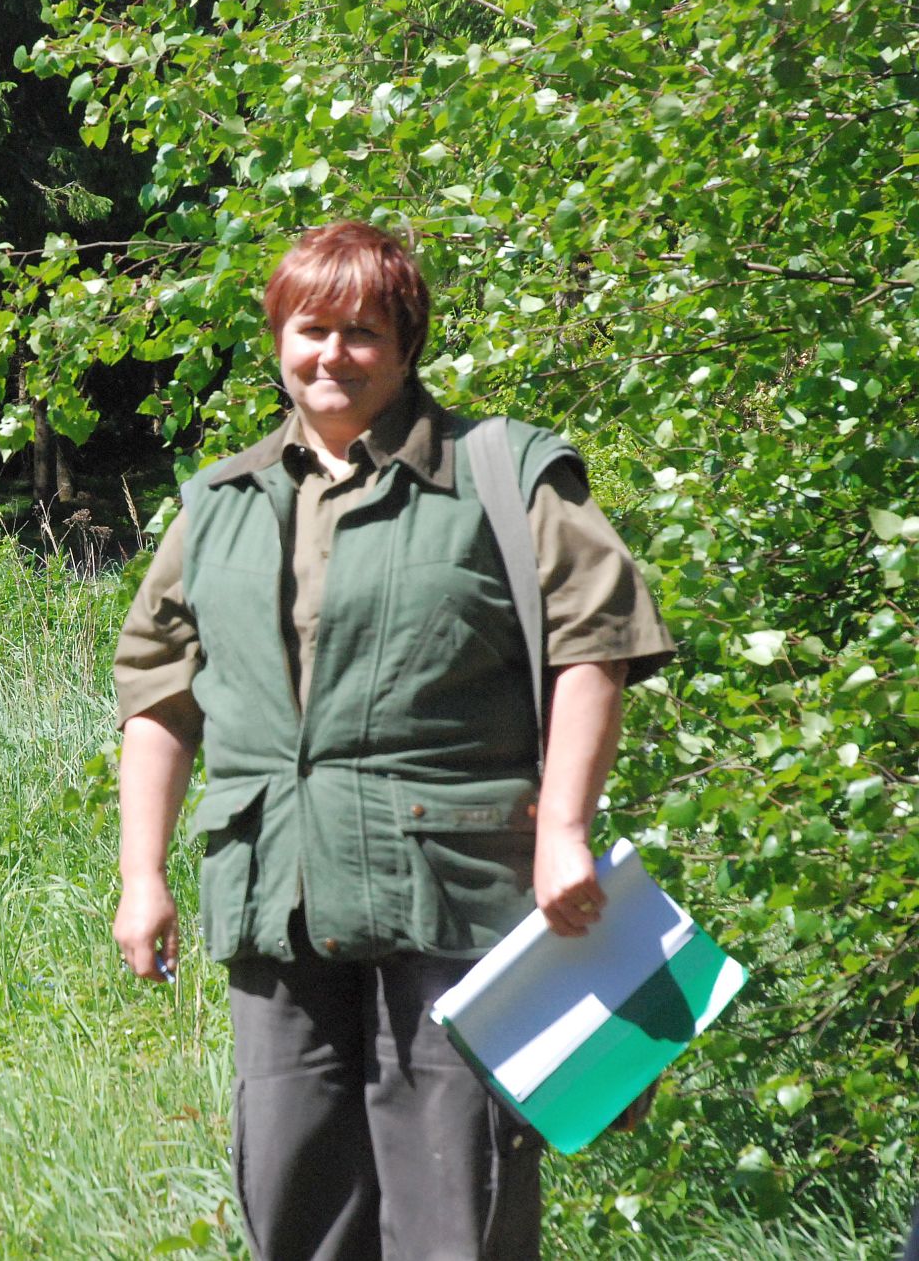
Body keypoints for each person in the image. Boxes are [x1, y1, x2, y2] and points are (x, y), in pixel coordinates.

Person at [110, 221, 674, 1260]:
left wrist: (564, 829)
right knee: (293, 1195)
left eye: (362, 332)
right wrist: (141, 873)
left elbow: (595, 644)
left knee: (458, 1202)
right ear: (279, 340)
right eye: (310, 328)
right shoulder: (219, 504)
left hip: (456, 896)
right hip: (277, 897)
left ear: (407, 345)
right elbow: (157, 693)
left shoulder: (503, 473)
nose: (333, 354)